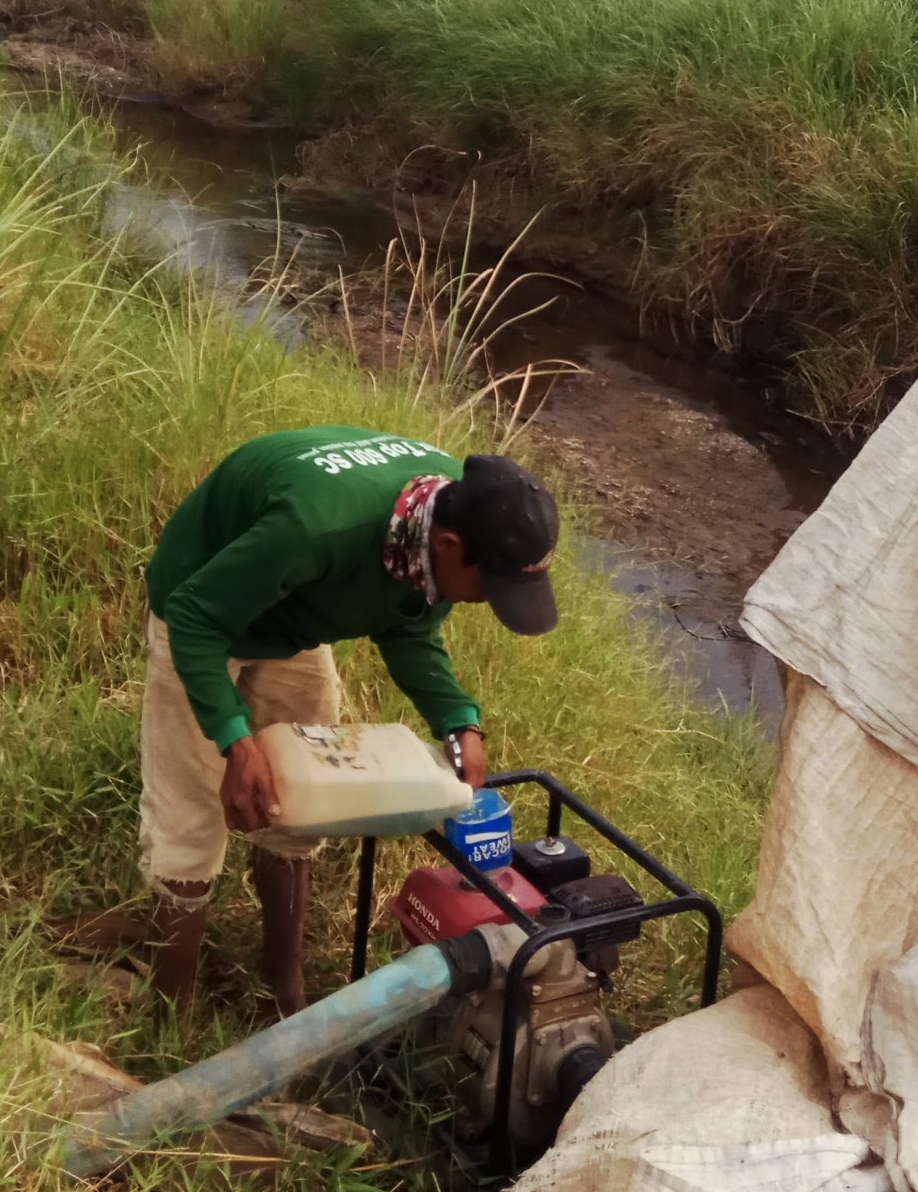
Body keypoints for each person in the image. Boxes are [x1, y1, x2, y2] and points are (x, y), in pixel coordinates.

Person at [80, 427, 559, 1011]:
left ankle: (286, 991)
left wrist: (458, 718)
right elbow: (196, 618)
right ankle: (171, 1015)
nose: (487, 601)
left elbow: (408, 622)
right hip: (204, 601)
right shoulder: (316, 528)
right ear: (451, 545)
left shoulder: (444, 511)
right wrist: (235, 742)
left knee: (302, 803)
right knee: (192, 815)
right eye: (490, 586)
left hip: (297, 610)